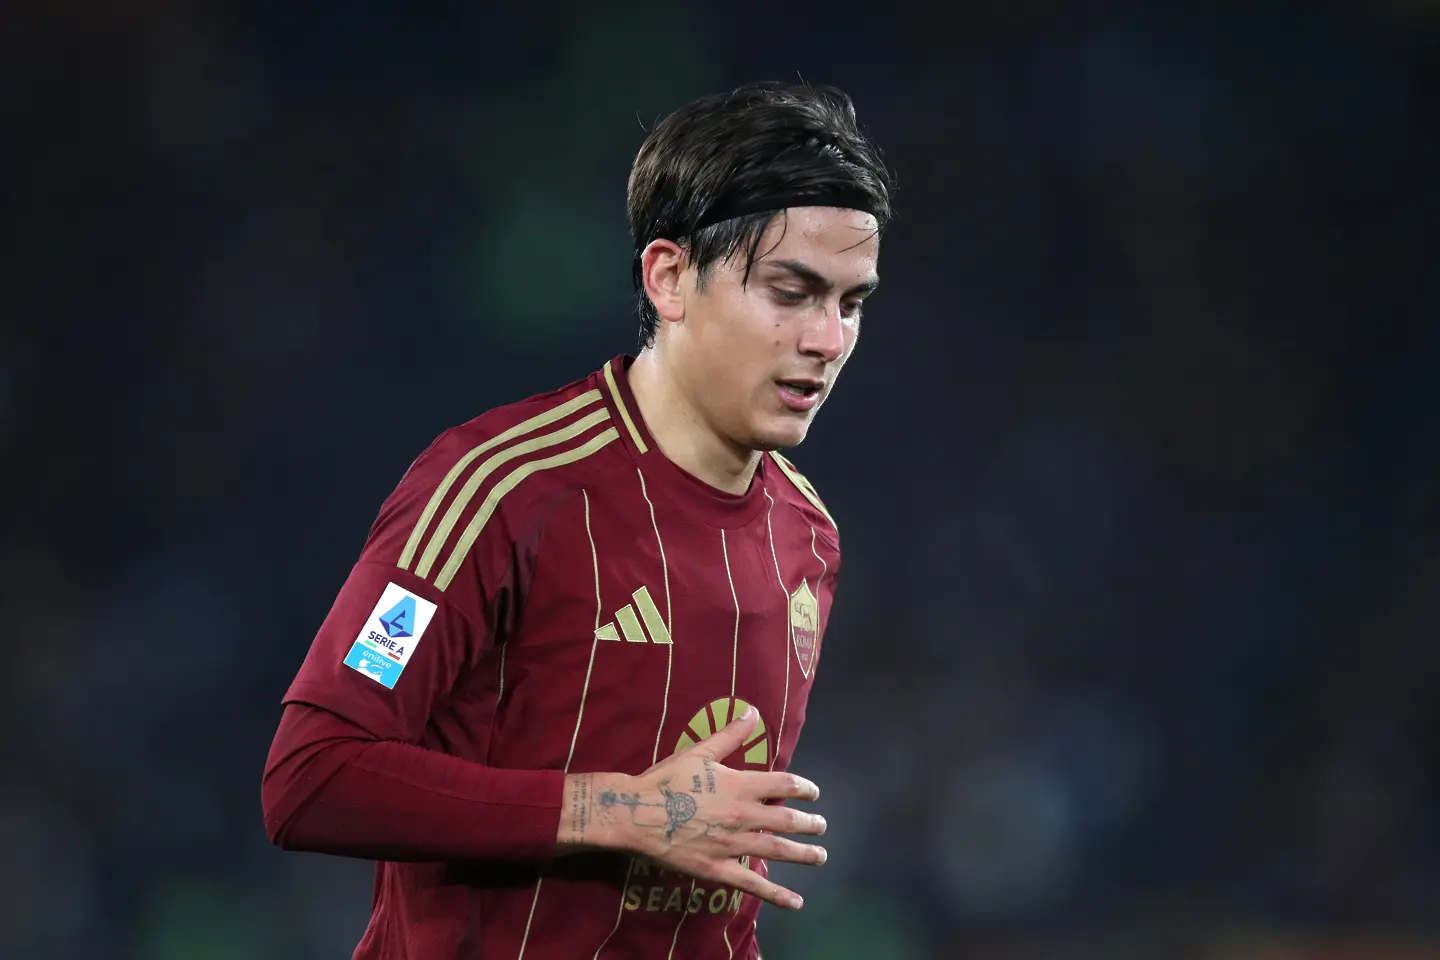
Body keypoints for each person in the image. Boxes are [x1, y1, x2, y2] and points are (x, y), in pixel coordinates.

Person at [262, 80, 892, 960]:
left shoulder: (808, 536)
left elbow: (710, 900)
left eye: (850, 304)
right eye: (790, 292)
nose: (826, 339)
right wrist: (619, 811)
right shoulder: (502, 488)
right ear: (669, 278)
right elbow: (312, 775)